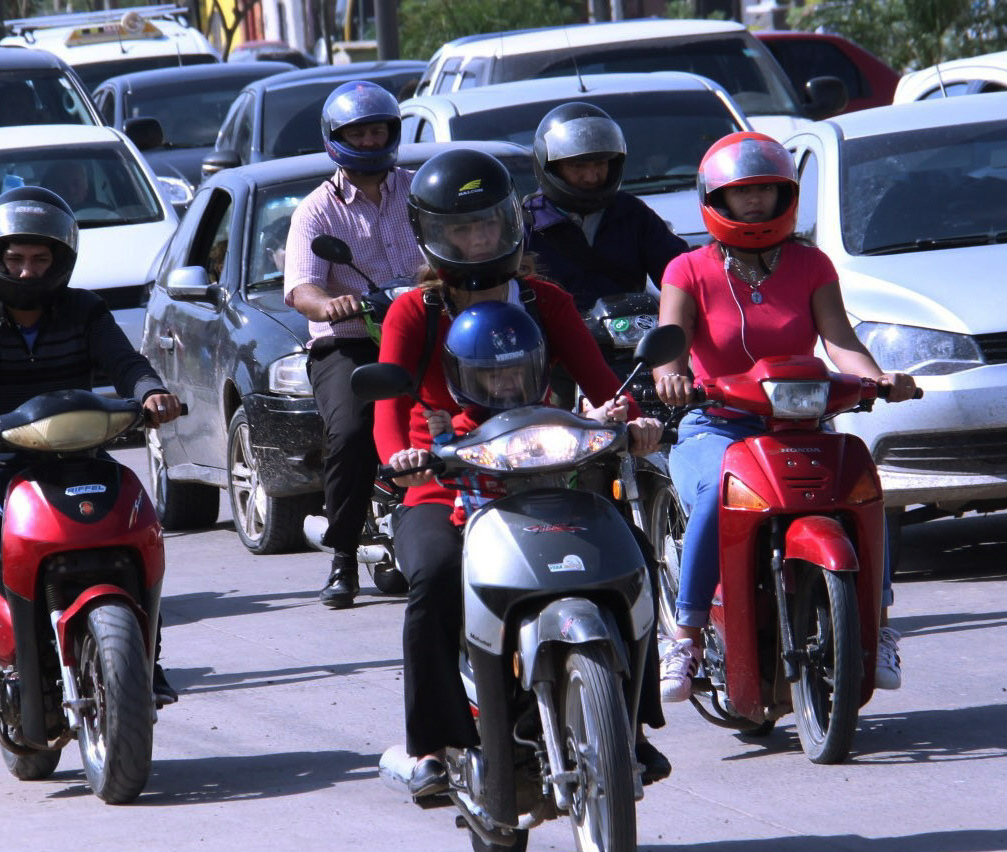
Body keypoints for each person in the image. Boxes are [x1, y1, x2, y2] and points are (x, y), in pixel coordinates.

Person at [373, 148, 666, 799]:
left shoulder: (546, 299)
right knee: (437, 577)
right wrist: (400, 456)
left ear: (510, 222)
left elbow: (603, 387)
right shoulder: (413, 313)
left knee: (631, 558)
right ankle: (438, 743)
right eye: (461, 230)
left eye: (486, 224)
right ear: (431, 236)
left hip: (545, 469)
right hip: (442, 480)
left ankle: (630, 726)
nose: (477, 240)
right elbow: (388, 413)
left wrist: (628, 419)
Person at [652, 132, 920, 701]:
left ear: (787, 196)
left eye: (767, 191)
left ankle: (881, 623)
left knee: (862, 486)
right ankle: (688, 634)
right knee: (711, 497)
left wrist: (877, 378)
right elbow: (669, 350)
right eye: (741, 192)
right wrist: (671, 381)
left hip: (799, 422)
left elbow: (840, 341)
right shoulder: (687, 270)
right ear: (714, 198)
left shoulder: (811, 263)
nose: (754, 202)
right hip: (717, 425)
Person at [0, 186, 180, 718]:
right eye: (14, 259)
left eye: (40, 259)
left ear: (61, 261)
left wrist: (150, 391)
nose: (26, 271)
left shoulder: (85, 310)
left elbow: (125, 363)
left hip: (80, 450)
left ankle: (147, 659)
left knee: (137, 517)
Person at [283, 80, 423, 608]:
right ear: (336, 139)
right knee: (350, 432)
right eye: (359, 133)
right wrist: (329, 305)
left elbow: (456, 240)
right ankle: (343, 556)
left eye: (378, 131)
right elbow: (301, 288)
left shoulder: (420, 189)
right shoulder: (316, 211)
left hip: (424, 330)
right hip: (350, 344)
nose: (369, 141)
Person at [522, 102, 688, 322]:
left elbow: (679, 274)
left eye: (600, 163)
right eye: (578, 166)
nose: (591, 177)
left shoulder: (632, 213)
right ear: (551, 166)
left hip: (632, 344)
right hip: (558, 348)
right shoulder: (527, 223)